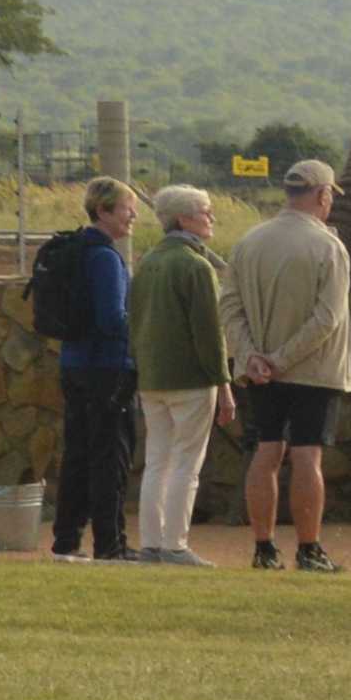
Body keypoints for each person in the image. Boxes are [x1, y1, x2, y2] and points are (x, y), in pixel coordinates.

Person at [218, 159, 351, 573]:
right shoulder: (328, 246)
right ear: (323, 195)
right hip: (313, 370)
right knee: (307, 455)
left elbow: (230, 306)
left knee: (267, 451)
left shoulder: (249, 241)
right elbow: (327, 318)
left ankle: (264, 548)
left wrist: (253, 356)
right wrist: (283, 359)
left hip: (259, 371)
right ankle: (309, 549)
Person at [128, 185, 234, 567]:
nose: (211, 218)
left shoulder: (148, 262)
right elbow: (209, 333)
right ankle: (176, 544)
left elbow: (135, 320)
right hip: (190, 378)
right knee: (186, 464)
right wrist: (223, 385)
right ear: (185, 218)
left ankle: (152, 543)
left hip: (151, 377)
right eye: (205, 212)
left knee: (157, 461)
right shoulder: (196, 266)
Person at [51, 176, 142, 564]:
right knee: (111, 457)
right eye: (126, 208)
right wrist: (141, 331)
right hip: (108, 369)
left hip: (73, 364)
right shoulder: (105, 257)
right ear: (104, 211)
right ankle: (110, 544)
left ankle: (66, 540)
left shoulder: (76, 250)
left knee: (78, 453)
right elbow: (112, 319)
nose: (132, 216)